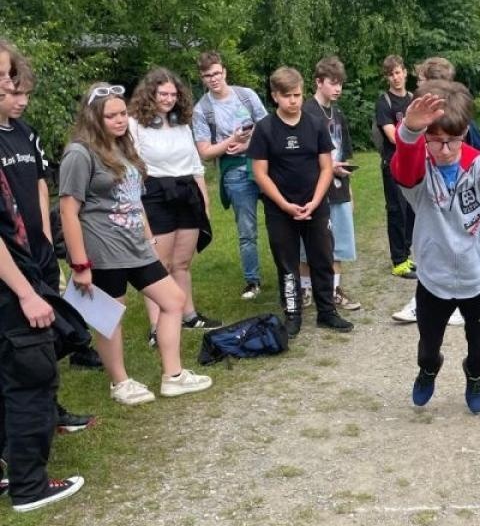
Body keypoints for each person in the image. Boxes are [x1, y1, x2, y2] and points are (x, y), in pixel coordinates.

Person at [59, 84, 213, 405]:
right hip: (103, 250)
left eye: (122, 114)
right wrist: (80, 265)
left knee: (173, 301)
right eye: (110, 116)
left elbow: (134, 198)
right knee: (109, 316)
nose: (119, 120)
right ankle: (120, 383)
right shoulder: (79, 152)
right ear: (93, 118)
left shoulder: (123, 147)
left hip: (136, 246)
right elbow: (69, 212)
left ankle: (173, 376)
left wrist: (148, 237)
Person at [390, 79, 480, 413]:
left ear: (465, 131)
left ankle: (474, 374)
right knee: (427, 347)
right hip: (434, 281)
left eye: (452, 140)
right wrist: (408, 131)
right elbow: (404, 170)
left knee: (479, 347)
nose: (445, 150)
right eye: (434, 141)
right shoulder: (420, 169)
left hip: (477, 279)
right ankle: (428, 370)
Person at [0, 40, 83, 513]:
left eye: (12, 75)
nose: (13, 87)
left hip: (31, 265)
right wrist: (26, 292)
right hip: (13, 283)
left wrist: (46, 246)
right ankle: (30, 486)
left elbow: (37, 187)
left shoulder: (20, 133)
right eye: (5, 79)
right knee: (32, 375)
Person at [248, 66, 353, 336]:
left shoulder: (315, 124)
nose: (293, 101)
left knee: (322, 258)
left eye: (297, 95)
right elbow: (259, 173)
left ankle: (327, 312)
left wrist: (317, 201)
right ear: (275, 97)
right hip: (280, 209)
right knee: (287, 263)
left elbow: (326, 167)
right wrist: (284, 204)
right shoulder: (265, 128)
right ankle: (292, 314)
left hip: (315, 206)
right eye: (287, 96)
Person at [129, 68, 220, 346]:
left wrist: (204, 201)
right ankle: (157, 326)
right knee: (159, 265)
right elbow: (133, 166)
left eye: (173, 94)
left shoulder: (181, 123)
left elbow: (195, 165)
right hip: (155, 194)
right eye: (163, 94)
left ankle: (188, 315)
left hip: (187, 193)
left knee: (182, 262)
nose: (169, 99)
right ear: (150, 94)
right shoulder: (135, 124)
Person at [391, 57, 465, 328]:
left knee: (452, 248)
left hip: (456, 204)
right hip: (426, 192)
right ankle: (423, 300)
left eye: (420, 82)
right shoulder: (421, 123)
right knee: (427, 246)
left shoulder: (459, 122)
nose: (416, 87)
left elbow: (475, 158)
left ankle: (459, 303)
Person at [191, 51, 267, 299]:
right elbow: (205, 152)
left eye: (216, 73)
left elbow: (268, 128)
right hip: (234, 171)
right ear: (202, 79)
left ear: (224, 72)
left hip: (263, 163)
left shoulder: (246, 95)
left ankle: (291, 273)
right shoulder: (202, 110)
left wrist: (247, 144)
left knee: (281, 220)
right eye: (207, 76)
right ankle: (252, 281)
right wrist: (232, 142)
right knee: (247, 230)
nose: (213, 79)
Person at [303, 56, 361, 312]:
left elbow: (344, 154)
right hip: (313, 189)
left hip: (338, 189)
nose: (338, 89)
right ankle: (305, 290)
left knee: (339, 243)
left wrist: (350, 191)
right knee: (308, 244)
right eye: (333, 83)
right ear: (319, 82)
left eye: (340, 84)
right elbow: (301, 156)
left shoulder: (338, 114)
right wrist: (326, 168)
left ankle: (334, 289)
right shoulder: (305, 112)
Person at [375, 55, 416, 279]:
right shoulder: (384, 103)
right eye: (391, 74)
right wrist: (415, 134)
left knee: (412, 210)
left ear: (405, 72)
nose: (396, 77)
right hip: (393, 163)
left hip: (414, 163)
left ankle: (407, 255)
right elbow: (393, 137)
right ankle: (398, 260)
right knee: (396, 210)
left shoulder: (413, 99)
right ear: (386, 77)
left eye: (398, 72)